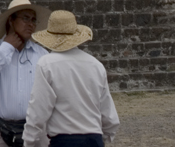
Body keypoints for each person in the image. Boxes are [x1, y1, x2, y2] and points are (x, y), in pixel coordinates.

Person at [23, 10, 119, 147]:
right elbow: (108, 112)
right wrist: (104, 136)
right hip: (93, 137)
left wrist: (29, 141)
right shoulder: (95, 65)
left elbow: (39, 108)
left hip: (64, 139)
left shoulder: (46, 64)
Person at [0, 0, 51, 147]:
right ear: (11, 20)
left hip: (35, 129)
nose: (31, 24)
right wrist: (6, 47)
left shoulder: (42, 55)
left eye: (33, 20)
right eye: (25, 18)